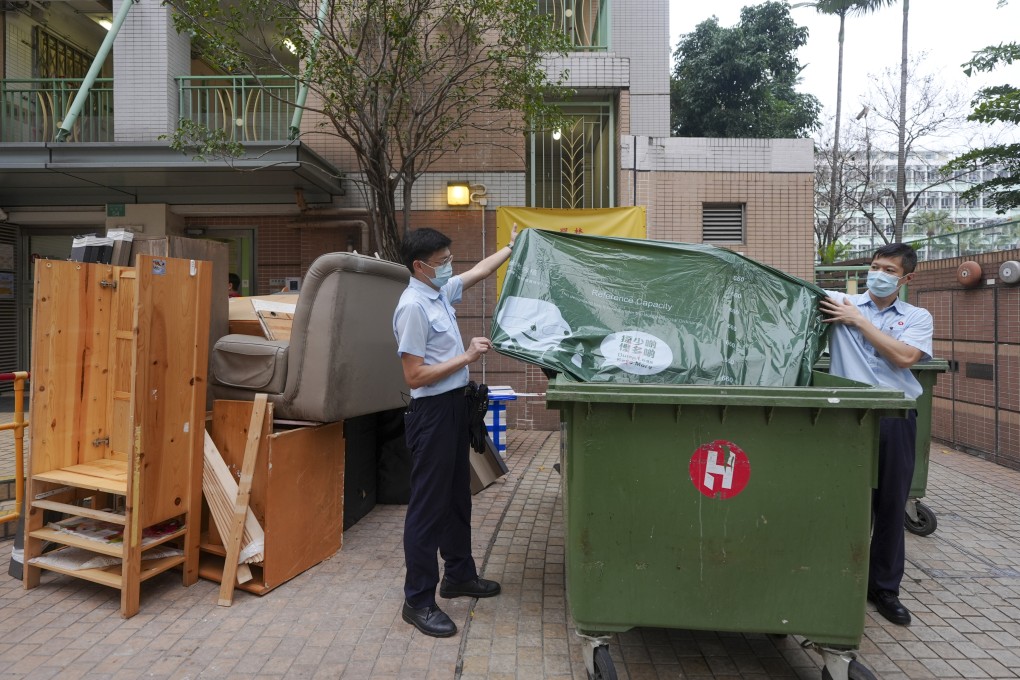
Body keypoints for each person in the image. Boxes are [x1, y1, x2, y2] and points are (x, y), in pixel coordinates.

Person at [392, 224, 519, 637]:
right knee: (428, 508)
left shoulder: (438, 293)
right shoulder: (413, 306)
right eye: (443, 262)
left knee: (456, 498)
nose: (449, 267)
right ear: (420, 266)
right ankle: (418, 600)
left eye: (449, 260)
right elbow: (414, 376)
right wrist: (466, 357)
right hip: (431, 414)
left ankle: (459, 575)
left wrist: (509, 249)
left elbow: (479, 271)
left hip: (454, 409)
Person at [820, 242, 933, 626]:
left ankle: (884, 588)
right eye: (874, 266)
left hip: (896, 418)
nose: (878, 274)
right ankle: (834, 578)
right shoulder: (839, 301)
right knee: (842, 501)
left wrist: (859, 322)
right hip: (848, 419)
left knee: (890, 504)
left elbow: (904, 358)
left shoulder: (918, 317)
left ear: (906, 278)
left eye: (888, 269)